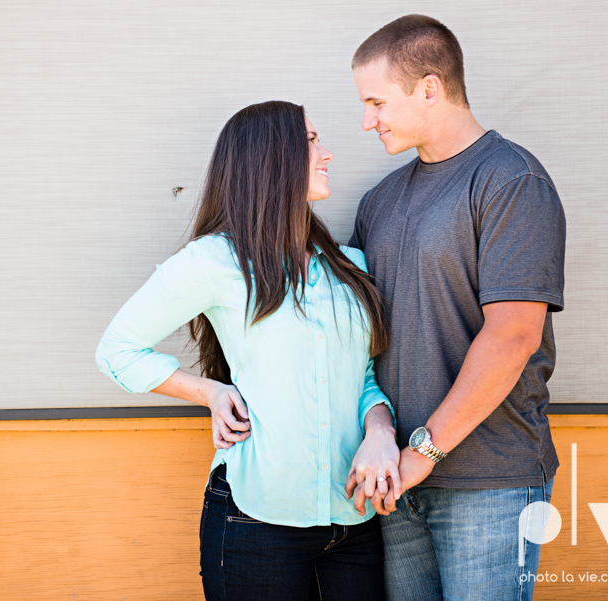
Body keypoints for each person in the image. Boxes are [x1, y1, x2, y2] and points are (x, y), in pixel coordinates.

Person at [96, 101, 397, 600]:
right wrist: (210, 393)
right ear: (271, 158)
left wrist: (380, 429)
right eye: (312, 141)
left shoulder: (350, 264)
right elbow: (118, 351)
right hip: (255, 525)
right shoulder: (214, 261)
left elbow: (361, 374)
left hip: (354, 524)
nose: (327, 153)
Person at [347, 15, 566, 601]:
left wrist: (425, 451)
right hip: (397, 481)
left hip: (488, 481)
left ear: (428, 88)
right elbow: (360, 335)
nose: (366, 120)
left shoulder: (510, 181)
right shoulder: (380, 201)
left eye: (376, 102)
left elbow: (514, 336)